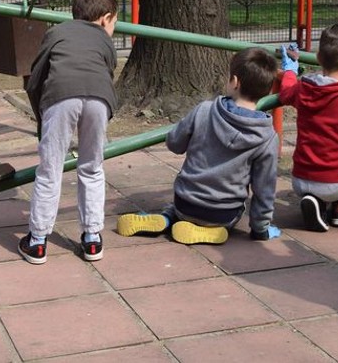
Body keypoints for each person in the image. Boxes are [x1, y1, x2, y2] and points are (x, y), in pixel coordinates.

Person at [116, 47, 282, 245]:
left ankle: (166, 218)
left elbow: (174, 143)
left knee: (177, 208)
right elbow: (264, 188)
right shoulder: (267, 137)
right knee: (235, 211)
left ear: (235, 82)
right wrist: (260, 229)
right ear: (268, 90)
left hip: (185, 203)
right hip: (223, 212)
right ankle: (216, 231)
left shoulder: (204, 110)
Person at [18, 0, 119, 264]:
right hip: (99, 97)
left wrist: (42, 115)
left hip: (60, 96)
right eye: (114, 24)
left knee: (50, 169)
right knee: (92, 165)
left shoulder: (57, 31)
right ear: (105, 19)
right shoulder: (105, 40)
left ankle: (37, 241)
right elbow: (107, 72)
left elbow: (36, 75)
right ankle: (92, 239)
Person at [277, 23, 338, 232]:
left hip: (300, 179)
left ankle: (316, 202)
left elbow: (286, 93)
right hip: (335, 184)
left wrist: (289, 71)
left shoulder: (304, 88)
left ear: (319, 58)